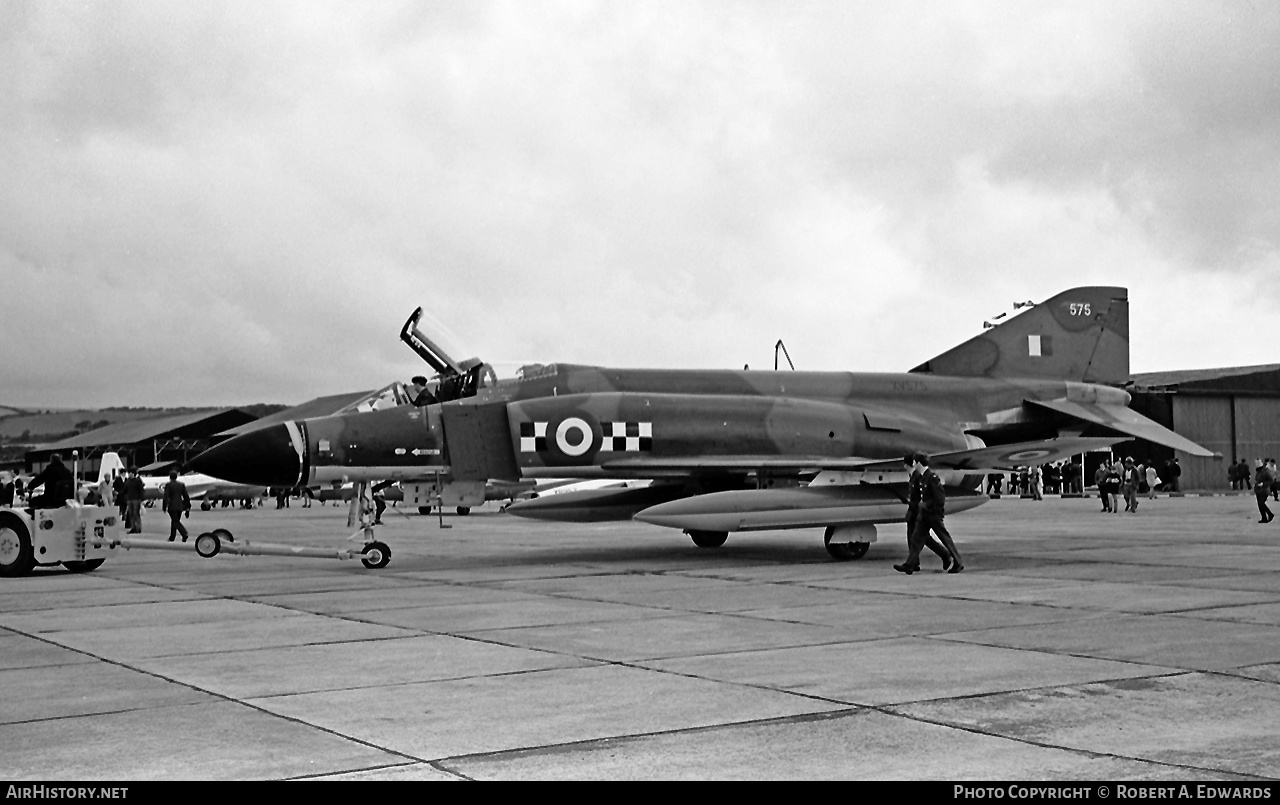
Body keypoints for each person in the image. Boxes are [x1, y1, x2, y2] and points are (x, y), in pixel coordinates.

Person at [895, 453, 962, 574]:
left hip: (933, 514)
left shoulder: (932, 477)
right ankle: (910, 565)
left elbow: (940, 498)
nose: (914, 464)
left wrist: (929, 507)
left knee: (945, 538)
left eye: (915, 461)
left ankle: (958, 562)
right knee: (916, 539)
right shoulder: (923, 477)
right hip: (924, 514)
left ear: (919, 463)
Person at [161, 471, 190, 542]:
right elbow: (186, 496)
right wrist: (187, 506)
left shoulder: (168, 485)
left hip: (172, 505)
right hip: (180, 505)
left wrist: (164, 506)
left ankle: (184, 533)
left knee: (175, 521)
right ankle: (172, 537)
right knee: (174, 521)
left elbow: (166, 496)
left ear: (170, 477)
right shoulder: (181, 485)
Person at [123, 467, 145, 533]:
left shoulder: (137, 481)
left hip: (136, 499)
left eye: (130, 473)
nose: (129, 474)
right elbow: (125, 489)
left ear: (133, 474)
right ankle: (133, 527)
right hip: (130, 499)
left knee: (136, 514)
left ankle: (138, 528)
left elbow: (141, 490)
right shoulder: (128, 481)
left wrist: (141, 499)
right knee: (131, 514)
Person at [1254, 460, 1274, 524]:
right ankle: (1264, 518)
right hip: (1258, 490)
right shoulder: (1258, 472)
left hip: (1264, 490)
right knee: (1260, 505)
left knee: (1261, 503)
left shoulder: (1266, 471)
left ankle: (1270, 514)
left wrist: (1263, 484)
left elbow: (1271, 480)